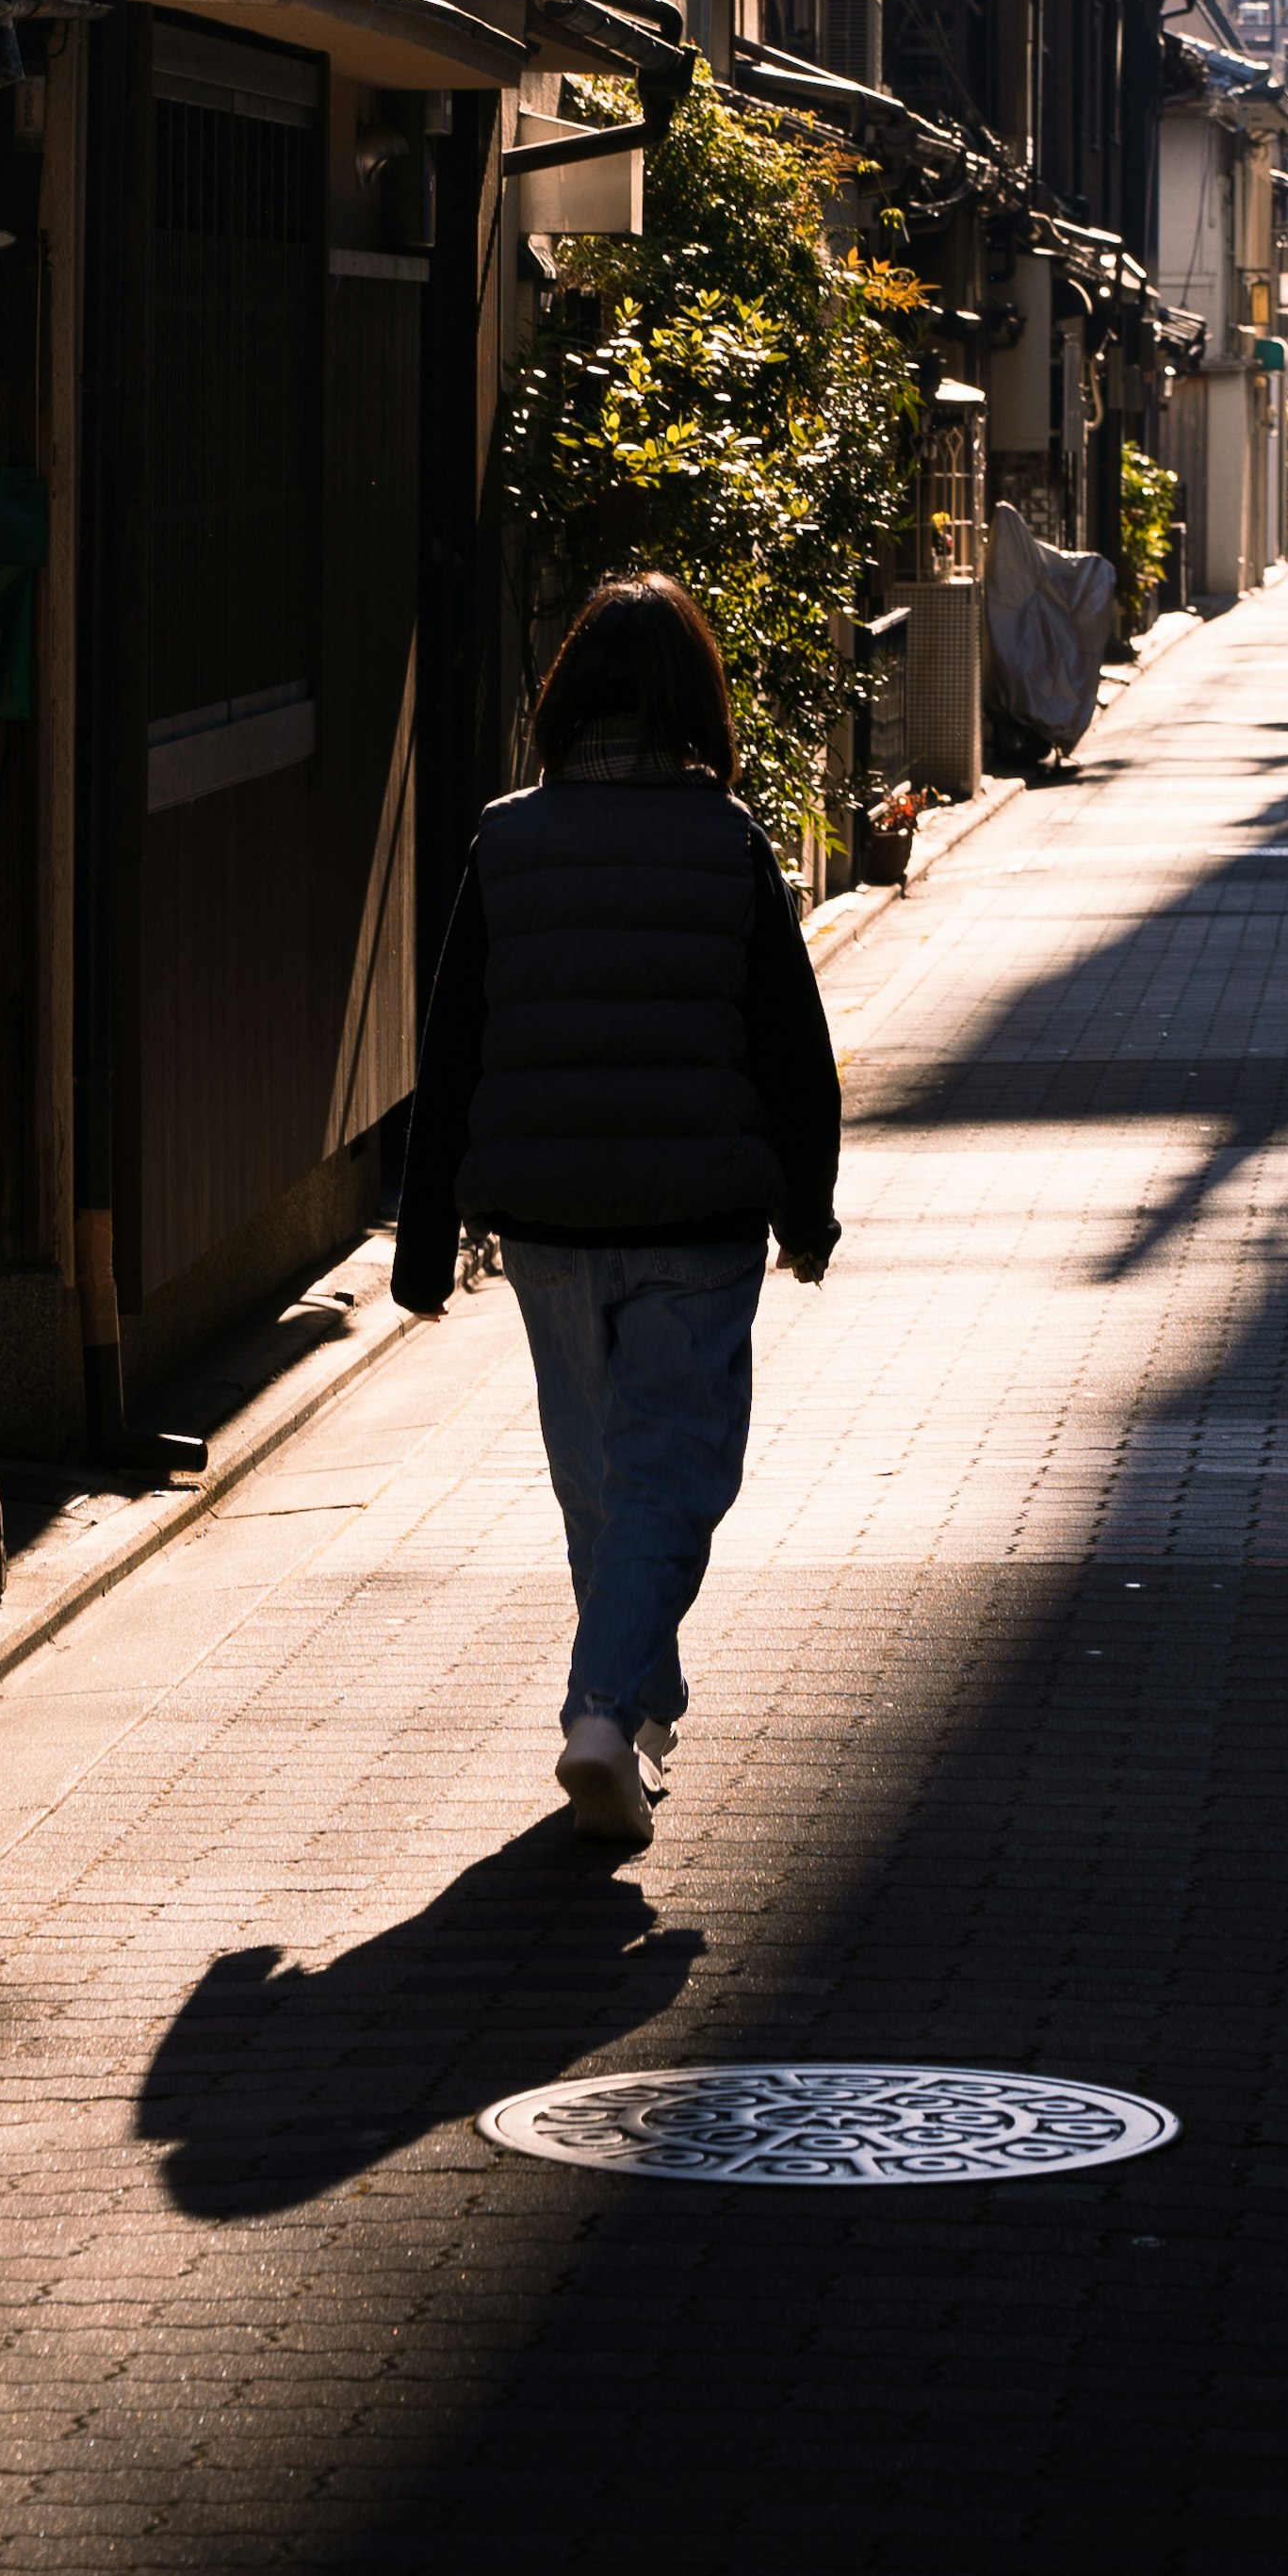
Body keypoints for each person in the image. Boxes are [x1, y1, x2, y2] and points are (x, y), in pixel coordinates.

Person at [392, 569, 840, 1842]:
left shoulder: (507, 839)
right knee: (674, 1475)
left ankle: (636, 1709)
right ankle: (603, 1708)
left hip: (543, 1222)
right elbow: (793, 1052)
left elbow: (454, 1043)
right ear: (694, 704)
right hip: (695, 1222)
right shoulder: (729, 842)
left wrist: (425, 1246)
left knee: (601, 1482)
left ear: (567, 700)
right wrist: (806, 1215)